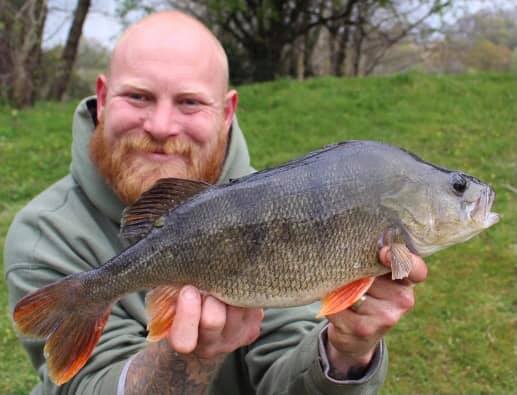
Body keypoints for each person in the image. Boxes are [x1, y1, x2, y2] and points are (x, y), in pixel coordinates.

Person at [4, 11, 427, 395]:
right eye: (138, 97)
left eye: (189, 102)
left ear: (227, 112)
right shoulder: (45, 235)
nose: (161, 127)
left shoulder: (283, 214)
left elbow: (284, 376)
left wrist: (345, 353)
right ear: (102, 96)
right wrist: (186, 358)